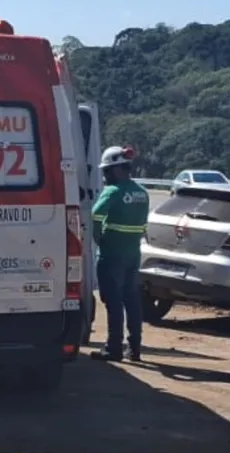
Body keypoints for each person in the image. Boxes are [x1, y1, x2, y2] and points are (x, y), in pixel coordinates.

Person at [89, 146, 150, 362]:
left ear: (116, 170)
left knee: (113, 301)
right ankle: (134, 348)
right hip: (132, 254)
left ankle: (113, 347)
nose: (105, 176)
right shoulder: (142, 193)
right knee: (132, 300)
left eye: (106, 171)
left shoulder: (113, 191)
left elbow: (95, 215)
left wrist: (99, 239)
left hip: (111, 254)